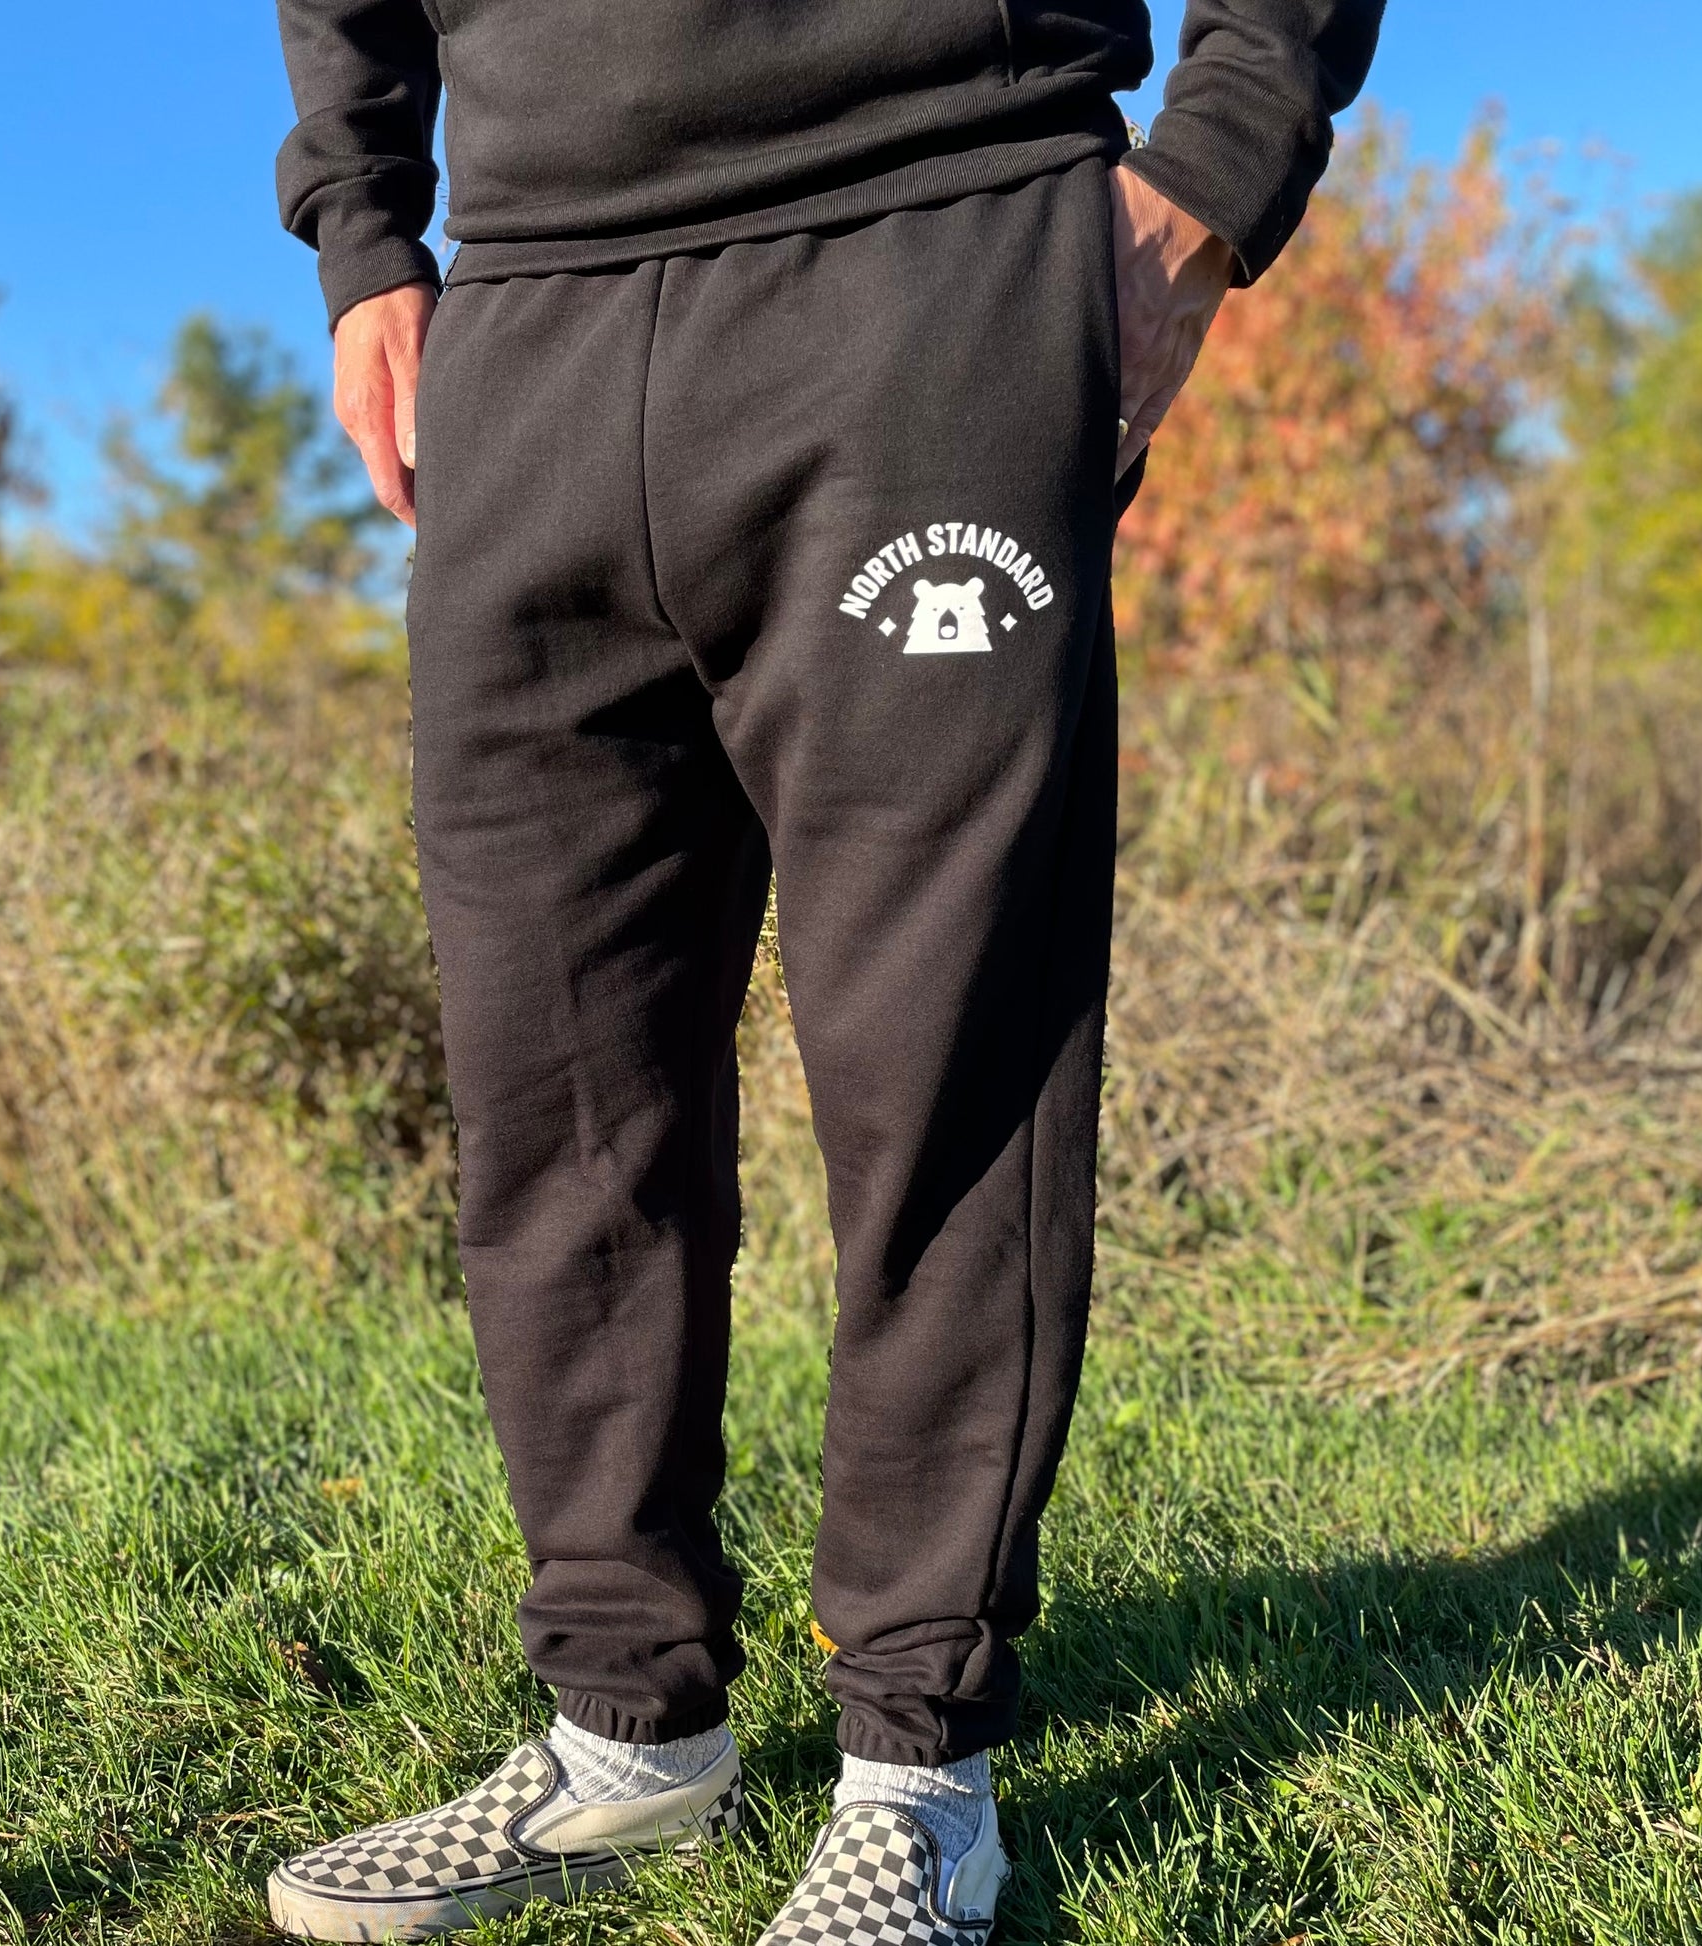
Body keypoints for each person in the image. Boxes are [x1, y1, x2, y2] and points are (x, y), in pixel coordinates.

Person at [266, 2, 1383, 1938]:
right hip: (525, 311)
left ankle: (917, 1771)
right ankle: (629, 1725)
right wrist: (366, 236)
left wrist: (1215, 164)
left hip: (932, 247)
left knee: (942, 1073)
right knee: (556, 1092)